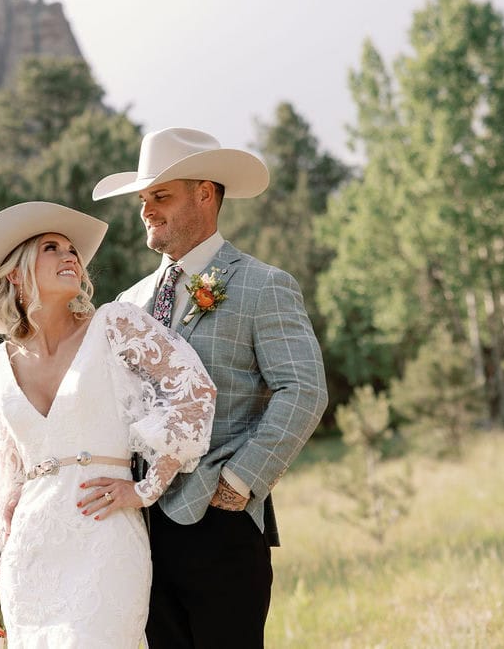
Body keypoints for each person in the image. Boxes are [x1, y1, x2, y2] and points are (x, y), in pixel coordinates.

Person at [92, 127, 329, 648]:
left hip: (220, 521)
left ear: (205, 193)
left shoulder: (262, 284)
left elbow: (304, 391)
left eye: (161, 196)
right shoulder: (127, 303)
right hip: (139, 530)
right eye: (143, 200)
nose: (146, 210)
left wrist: (242, 481)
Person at [0, 201, 217, 648]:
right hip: (32, 556)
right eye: (51, 248)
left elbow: (194, 394)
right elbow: (5, 480)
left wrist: (145, 489)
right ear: (15, 273)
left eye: (73, 248)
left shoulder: (116, 326)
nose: (70, 255)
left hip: (105, 538)